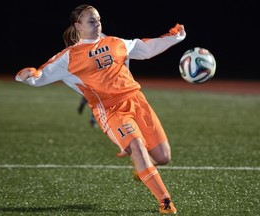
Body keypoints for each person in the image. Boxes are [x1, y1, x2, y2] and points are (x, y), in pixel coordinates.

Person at [15, 4, 186, 214]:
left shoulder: (115, 43)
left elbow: (147, 48)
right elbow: (40, 76)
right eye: (90, 21)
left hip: (138, 102)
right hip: (110, 111)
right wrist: (28, 75)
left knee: (163, 157)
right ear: (78, 25)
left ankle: (143, 165)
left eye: (98, 20)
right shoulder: (69, 57)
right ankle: (165, 201)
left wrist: (174, 37)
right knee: (137, 146)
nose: (96, 24)